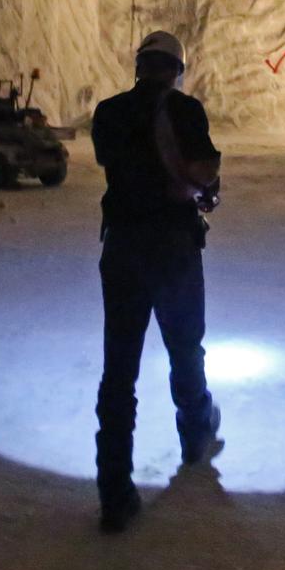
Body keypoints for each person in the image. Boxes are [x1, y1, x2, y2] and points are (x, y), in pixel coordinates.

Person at [91, 30, 222, 533]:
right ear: (177, 69)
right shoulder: (186, 112)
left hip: (122, 247)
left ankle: (114, 493)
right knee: (185, 346)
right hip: (173, 247)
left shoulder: (107, 112)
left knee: (118, 370)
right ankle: (194, 433)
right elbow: (201, 173)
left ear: (139, 64)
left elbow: (113, 162)